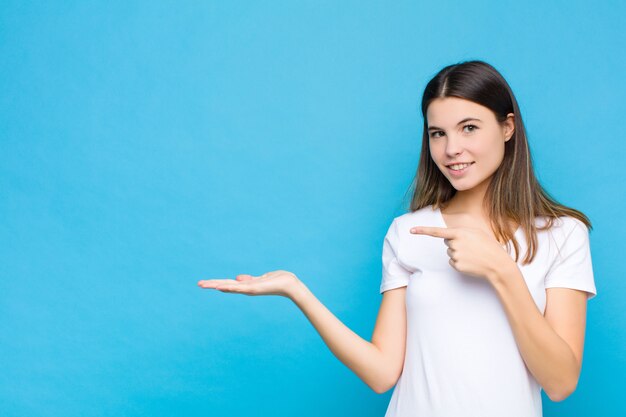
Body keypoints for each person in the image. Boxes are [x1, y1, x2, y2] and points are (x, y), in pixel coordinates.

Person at [198, 60, 597, 417]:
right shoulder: (407, 232)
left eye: (469, 128)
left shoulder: (562, 236)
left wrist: (501, 270)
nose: (452, 149)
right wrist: (297, 291)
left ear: (507, 127)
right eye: (437, 133)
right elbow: (382, 373)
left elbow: (560, 383)